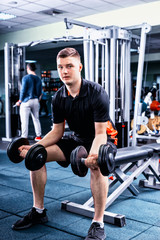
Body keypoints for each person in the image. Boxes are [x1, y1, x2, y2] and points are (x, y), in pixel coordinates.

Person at [12, 48, 117, 240]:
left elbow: (101, 133)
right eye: (60, 67)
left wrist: (92, 157)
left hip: (100, 139)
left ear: (79, 67)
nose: (64, 71)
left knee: (97, 166)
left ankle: (98, 223)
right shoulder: (59, 97)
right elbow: (57, 131)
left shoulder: (97, 93)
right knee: (36, 157)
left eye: (69, 66)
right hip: (75, 140)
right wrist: (36, 147)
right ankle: (39, 211)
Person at [16, 63, 42, 141]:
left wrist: (19, 101)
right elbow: (40, 92)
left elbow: (23, 90)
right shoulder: (38, 78)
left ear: (28, 68)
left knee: (24, 121)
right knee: (36, 119)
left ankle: (24, 137)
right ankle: (38, 136)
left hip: (26, 101)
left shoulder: (26, 78)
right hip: (36, 100)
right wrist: (37, 99)